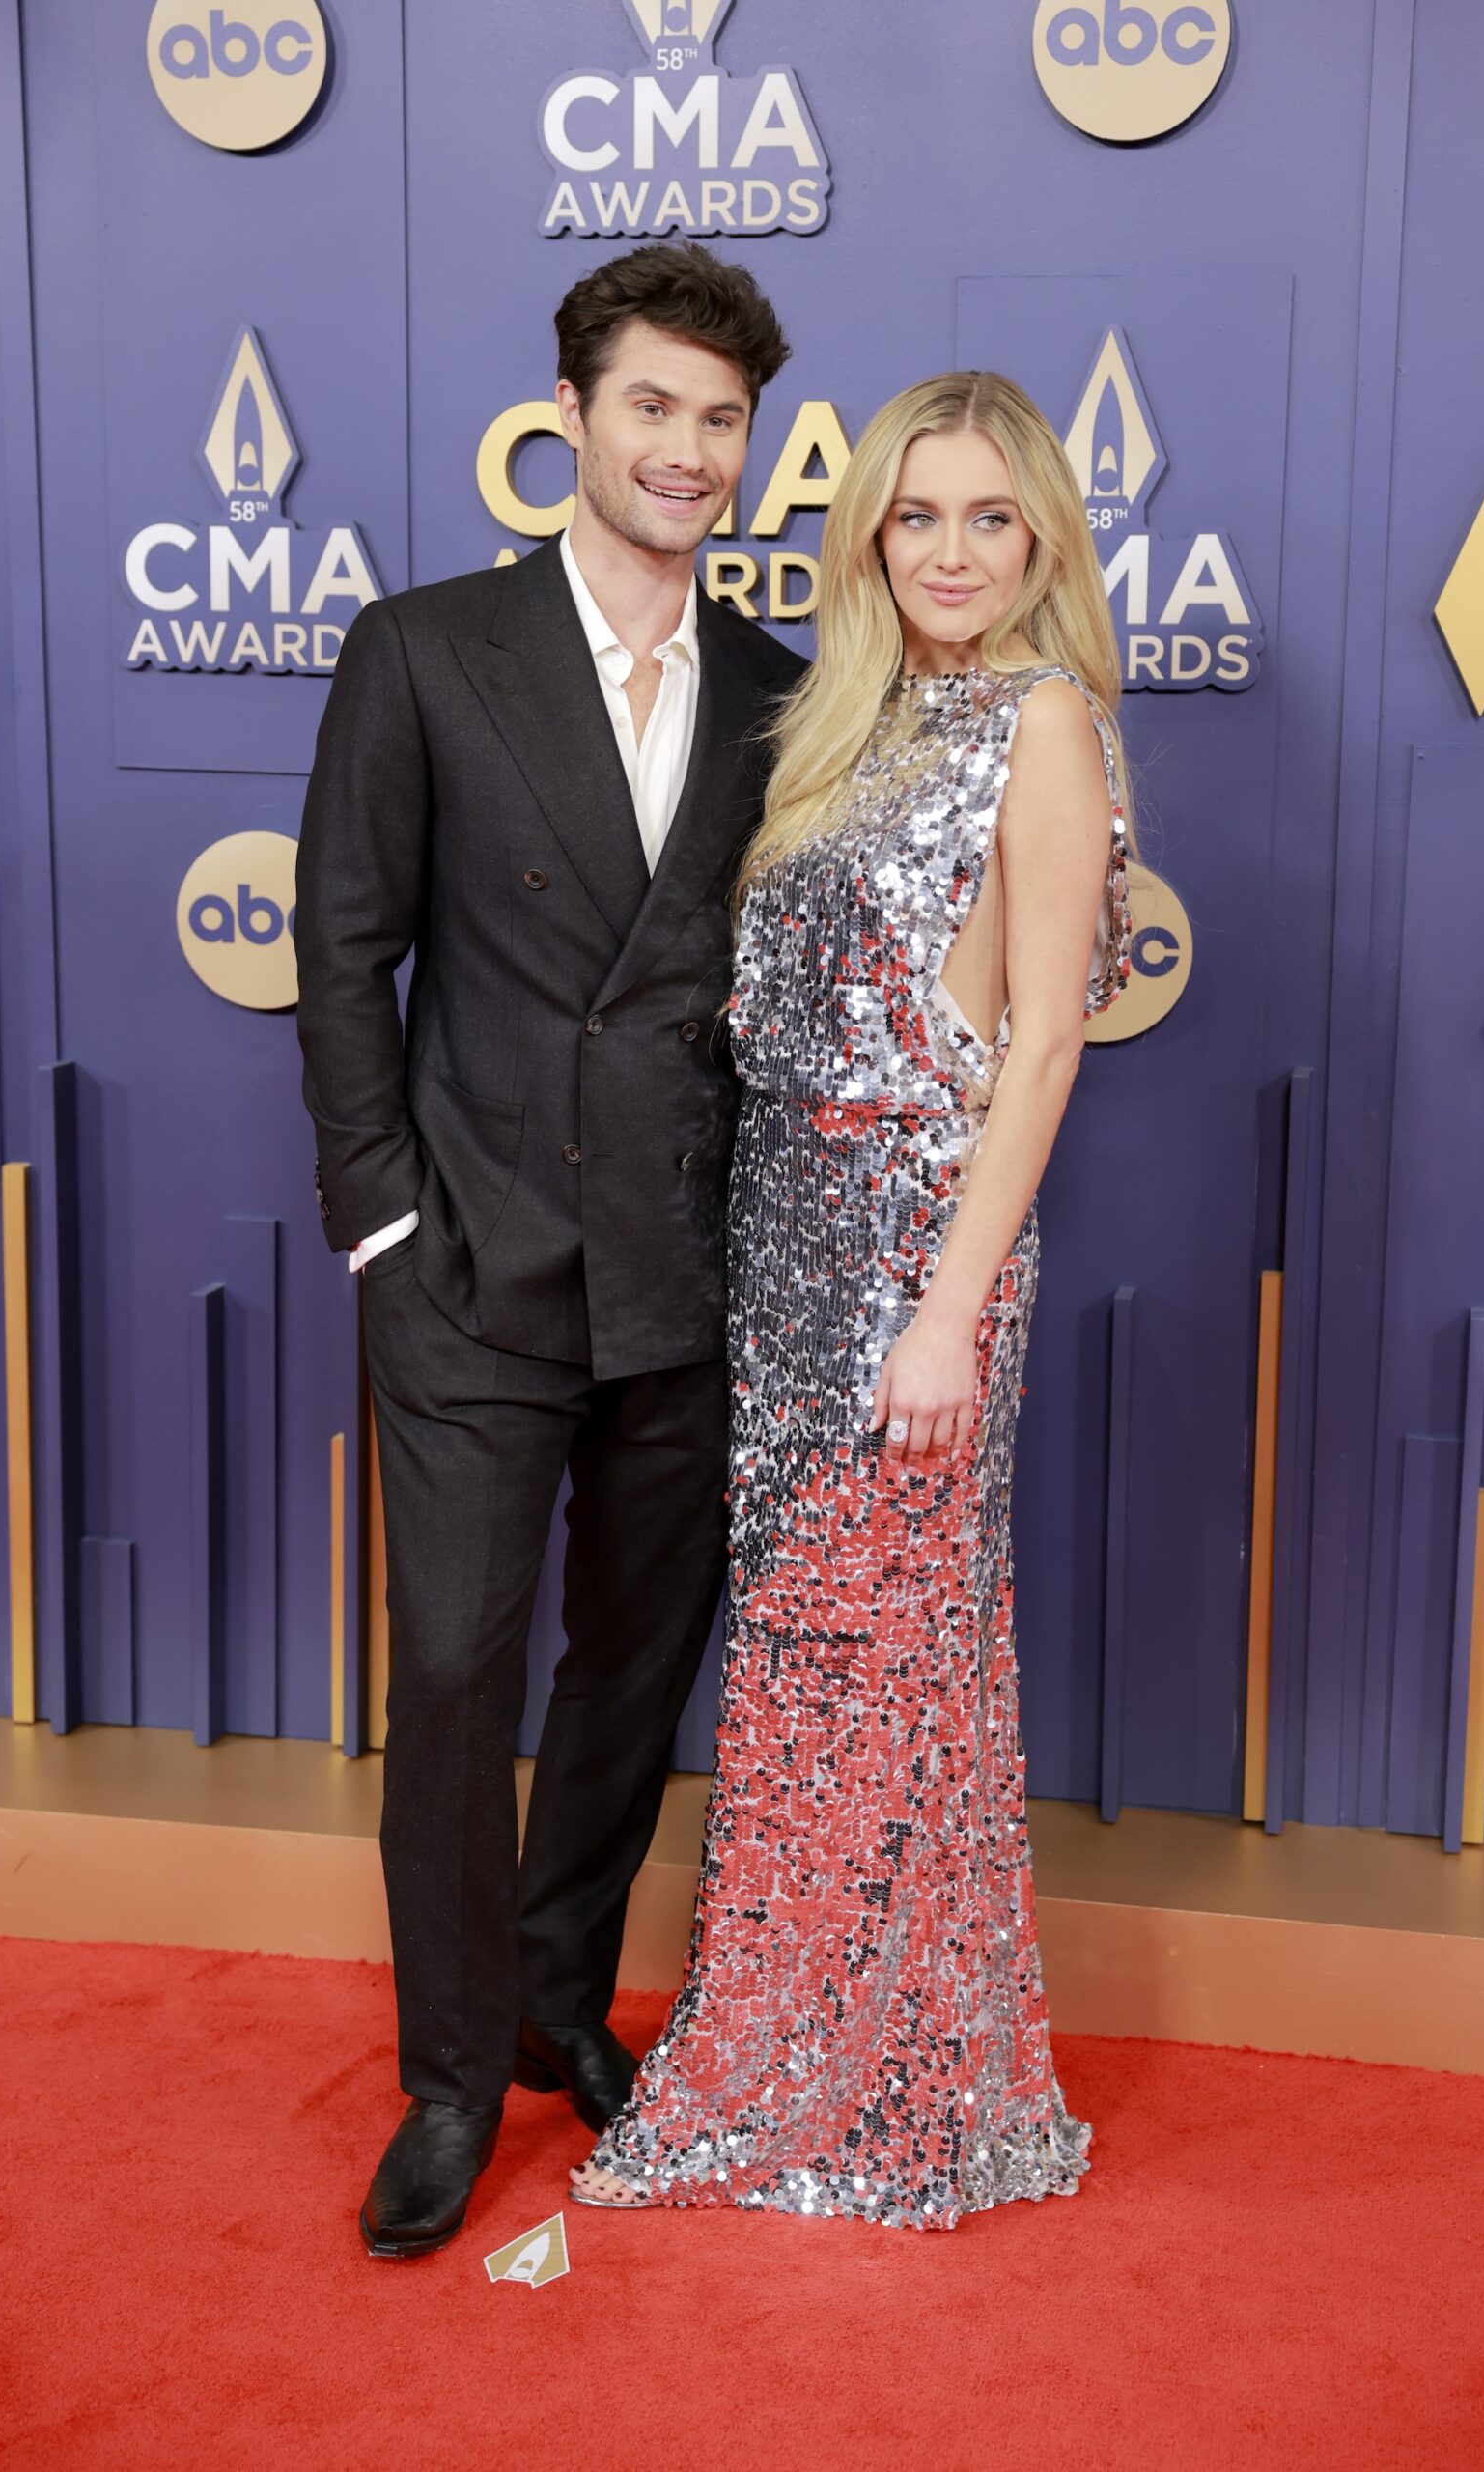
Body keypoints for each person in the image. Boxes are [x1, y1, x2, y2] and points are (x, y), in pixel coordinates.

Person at [571, 370, 1134, 2228]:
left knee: (887, 1665)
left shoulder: (1044, 722)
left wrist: (946, 1311)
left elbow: (1044, 1043)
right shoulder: (853, 722)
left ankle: (884, 2092)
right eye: (919, 516)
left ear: (1043, 533)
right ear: (870, 532)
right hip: (784, 1246)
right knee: (815, 1676)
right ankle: (816, 2044)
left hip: (916, 1249)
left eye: (992, 517)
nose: (955, 552)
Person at [294, 241, 802, 2259]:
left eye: (720, 419)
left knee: (627, 1673)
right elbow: (343, 956)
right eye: (652, 409)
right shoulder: (423, 649)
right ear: (570, 418)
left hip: (685, 1274)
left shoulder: (780, 685)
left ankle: (552, 2001)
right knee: (451, 1671)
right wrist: (383, 1222)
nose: (686, 450)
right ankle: (441, 2080)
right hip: (470, 1267)